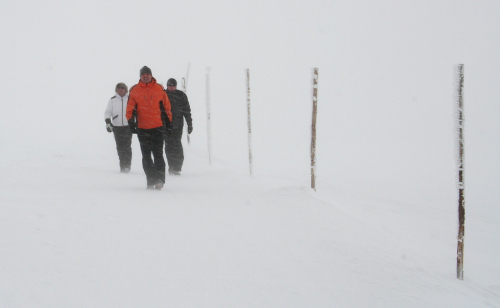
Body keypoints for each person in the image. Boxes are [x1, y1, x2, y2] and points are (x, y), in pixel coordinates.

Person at [126, 66, 172, 190]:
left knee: (158, 154)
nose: (145, 76)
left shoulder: (159, 89)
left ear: (151, 75)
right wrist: (131, 122)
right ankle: (150, 179)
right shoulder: (134, 90)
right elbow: (130, 108)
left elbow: (166, 107)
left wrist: (169, 124)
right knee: (146, 155)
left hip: (158, 127)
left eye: (147, 74)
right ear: (140, 76)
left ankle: (160, 179)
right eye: (143, 74)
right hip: (143, 128)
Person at [164, 78, 193, 176]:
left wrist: (189, 123)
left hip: (177, 125)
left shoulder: (181, 95)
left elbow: (187, 111)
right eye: (170, 86)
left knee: (177, 145)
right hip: (165, 125)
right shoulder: (163, 94)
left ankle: (177, 167)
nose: (171, 88)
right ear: (167, 86)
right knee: (168, 146)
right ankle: (171, 166)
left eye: (173, 86)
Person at [104, 82, 133, 173]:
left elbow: (135, 111)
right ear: (116, 90)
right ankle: (122, 165)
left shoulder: (130, 99)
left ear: (126, 89)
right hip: (117, 127)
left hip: (128, 126)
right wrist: (108, 122)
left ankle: (127, 165)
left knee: (127, 147)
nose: (121, 89)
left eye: (123, 88)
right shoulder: (112, 100)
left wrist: (135, 122)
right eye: (119, 88)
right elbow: (107, 112)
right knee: (120, 147)